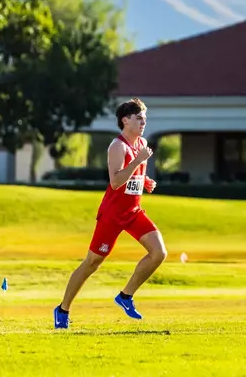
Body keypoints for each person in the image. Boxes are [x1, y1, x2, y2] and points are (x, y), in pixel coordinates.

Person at [53, 98, 167, 329]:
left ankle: (125, 296)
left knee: (159, 253)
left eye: (144, 118)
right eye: (139, 118)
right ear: (125, 120)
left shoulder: (141, 144)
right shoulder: (118, 146)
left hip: (133, 212)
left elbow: (131, 176)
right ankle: (62, 309)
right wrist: (138, 161)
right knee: (93, 262)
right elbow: (115, 182)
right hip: (113, 215)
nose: (143, 122)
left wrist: (144, 180)